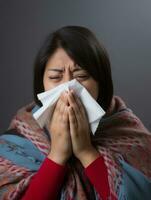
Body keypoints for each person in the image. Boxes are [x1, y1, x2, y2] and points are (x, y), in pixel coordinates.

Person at [0, 26, 151, 200]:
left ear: (100, 82)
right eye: (55, 78)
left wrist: (86, 151)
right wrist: (57, 155)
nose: (68, 91)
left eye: (82, 76)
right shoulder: (17, 140)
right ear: (41, 82)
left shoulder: (128, 131)